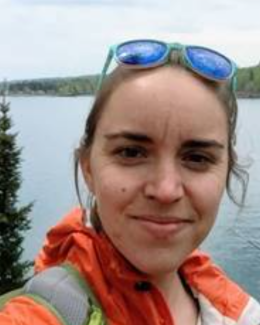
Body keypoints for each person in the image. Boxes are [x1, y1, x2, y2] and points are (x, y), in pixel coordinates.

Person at [1, 39, 260, 325]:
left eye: (197, 158)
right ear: (88, 168)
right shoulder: (37, 316)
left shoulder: (232, 308)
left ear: (227, 171)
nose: (165, 190)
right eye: (131, 152)